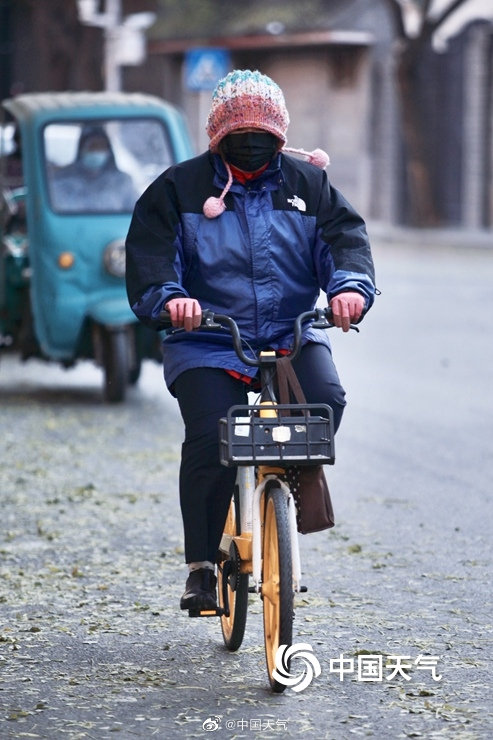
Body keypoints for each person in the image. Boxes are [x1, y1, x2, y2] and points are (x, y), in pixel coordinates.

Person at [125, 69, 376, 612]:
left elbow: (345, 242)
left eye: (262, 130)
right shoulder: (178, 189)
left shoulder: (309, 185)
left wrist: (348, 291)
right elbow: (150, 258)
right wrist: (173, 300)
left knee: (325, 402)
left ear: (281, 134)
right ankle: (201, 566)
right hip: (209, 339)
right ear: (217, 135)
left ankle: (283, 486)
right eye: (238, 130)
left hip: (292, 335)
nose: (251, 138)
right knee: (211, 436)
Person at [49, 125, 137, 213]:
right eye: (93, 146)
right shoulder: (63, 181)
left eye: (101, 147)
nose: (97, 151)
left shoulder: (122, 181)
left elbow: (135, 213)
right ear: (82, 150)